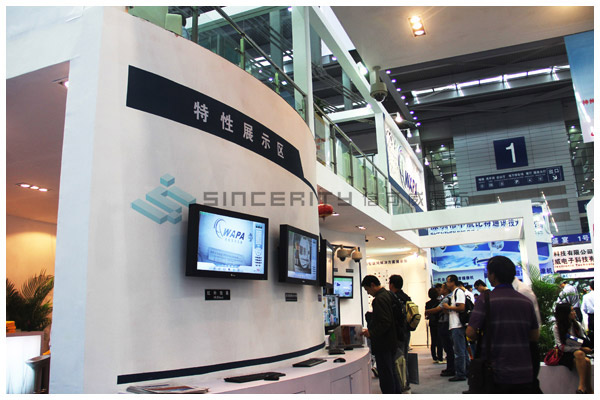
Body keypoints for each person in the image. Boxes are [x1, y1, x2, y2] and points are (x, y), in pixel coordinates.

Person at [466, 256, 540, 394]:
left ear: (493, 275)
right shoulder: (526, 301)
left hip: (494, 372)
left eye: (488, 272)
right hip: (523, 372)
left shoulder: (485, 300)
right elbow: (534, 336)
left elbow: (470, 332)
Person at [360, 275, 402, 394]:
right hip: (392, 340)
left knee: (386, 374)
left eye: (367, 289)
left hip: (383, 343)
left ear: (372, 285)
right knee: (392, 372)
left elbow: (385, 322)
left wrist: (371, 333)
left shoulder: (379, 299)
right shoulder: (389, 295)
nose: (368, 293)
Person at [553, 303, 593, 394]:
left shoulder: (577, 325)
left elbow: (583, 340)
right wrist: (579, 348)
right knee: (580, 354)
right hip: (565, 354)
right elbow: (561, 346)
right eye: (571, 311)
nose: (574, 312)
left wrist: (581, 346)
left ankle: (585, 390)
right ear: (565, 313)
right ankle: (583, 387)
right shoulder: (557, 327)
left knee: (586, 361)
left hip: (578, 353)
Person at [442, 275, 468, 381]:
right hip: (454, 325)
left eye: (448, 282)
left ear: (453, 282)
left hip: (458, 325)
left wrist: (448, 307)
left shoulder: (459, 292)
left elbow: (462, 307)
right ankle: (466, 371)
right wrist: (447, 310)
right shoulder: (454, 293)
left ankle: (461, 373)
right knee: (462, 350)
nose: (447, 284)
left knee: (459, 351)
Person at [389, 274, 412, 392]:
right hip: (406, 330)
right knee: (404, 357)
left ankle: (402, 384)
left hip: (397, 333)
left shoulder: (393, 298)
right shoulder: (406, 297)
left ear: (392, 284)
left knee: (398, 359)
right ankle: (406, 382)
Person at [426, 283, 454, 375]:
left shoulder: (445, 299)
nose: (440, 290)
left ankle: (450, 368)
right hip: (443, 323)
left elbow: (437, 309)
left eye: (441, 288)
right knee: (443, 344)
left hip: (443, 324)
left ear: (445, 290)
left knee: (445, 346)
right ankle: (446, 363)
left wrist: (427, 311)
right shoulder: (448, 298)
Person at [425, 287, 444, 364]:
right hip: (438, 322)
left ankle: (434, 356)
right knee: (439, 341)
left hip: (432, 322)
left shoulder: (427, 303)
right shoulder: (439, 302)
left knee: (433, 340)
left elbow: (427, 314)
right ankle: (440, 357)